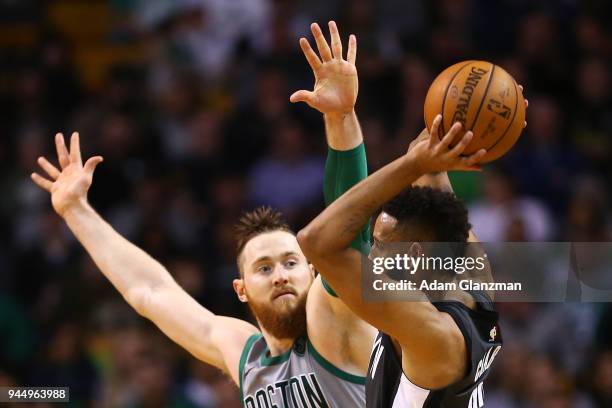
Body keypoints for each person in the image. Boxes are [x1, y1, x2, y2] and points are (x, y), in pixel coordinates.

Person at [30, 22, 377, 407]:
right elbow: (151, 292)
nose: (280, 275)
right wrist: (76, 211)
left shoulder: (338, 322)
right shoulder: (244, 353)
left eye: (290, 262)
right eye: (263, 268)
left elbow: (349, 229)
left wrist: (341, 117)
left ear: (311, 272)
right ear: (240, 289)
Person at [297, 114, 507, 407]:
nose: (372, 254)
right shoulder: (473, 277)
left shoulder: (428, 331)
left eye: (380, 245)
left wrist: (412, 166)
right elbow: (426, 148)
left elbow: (315, 242)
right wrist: (481, 110)